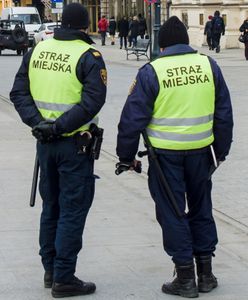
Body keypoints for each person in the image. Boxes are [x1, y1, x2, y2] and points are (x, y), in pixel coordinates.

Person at [116, 16, 233, 298]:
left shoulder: (151, 71)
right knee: (201, 208)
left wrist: (125, 157)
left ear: (162, 44)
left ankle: (184, 277)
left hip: (165, 156)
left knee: (172, 212)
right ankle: (205, 274)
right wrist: (221, 153)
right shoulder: (209, 66)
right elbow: (224, 115)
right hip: (202, 154)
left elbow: (131, 121)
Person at [10, 3, 107, 298]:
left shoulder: (38, 50)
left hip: (46, 144)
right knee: (72, 208)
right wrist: (59, 127)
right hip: (74, 145)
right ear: (84, 25)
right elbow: (92, 101)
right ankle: (64, 277)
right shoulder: (88, 56)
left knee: (50, 206)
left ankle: (50, 269)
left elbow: (18, 92)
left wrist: (39, 123)